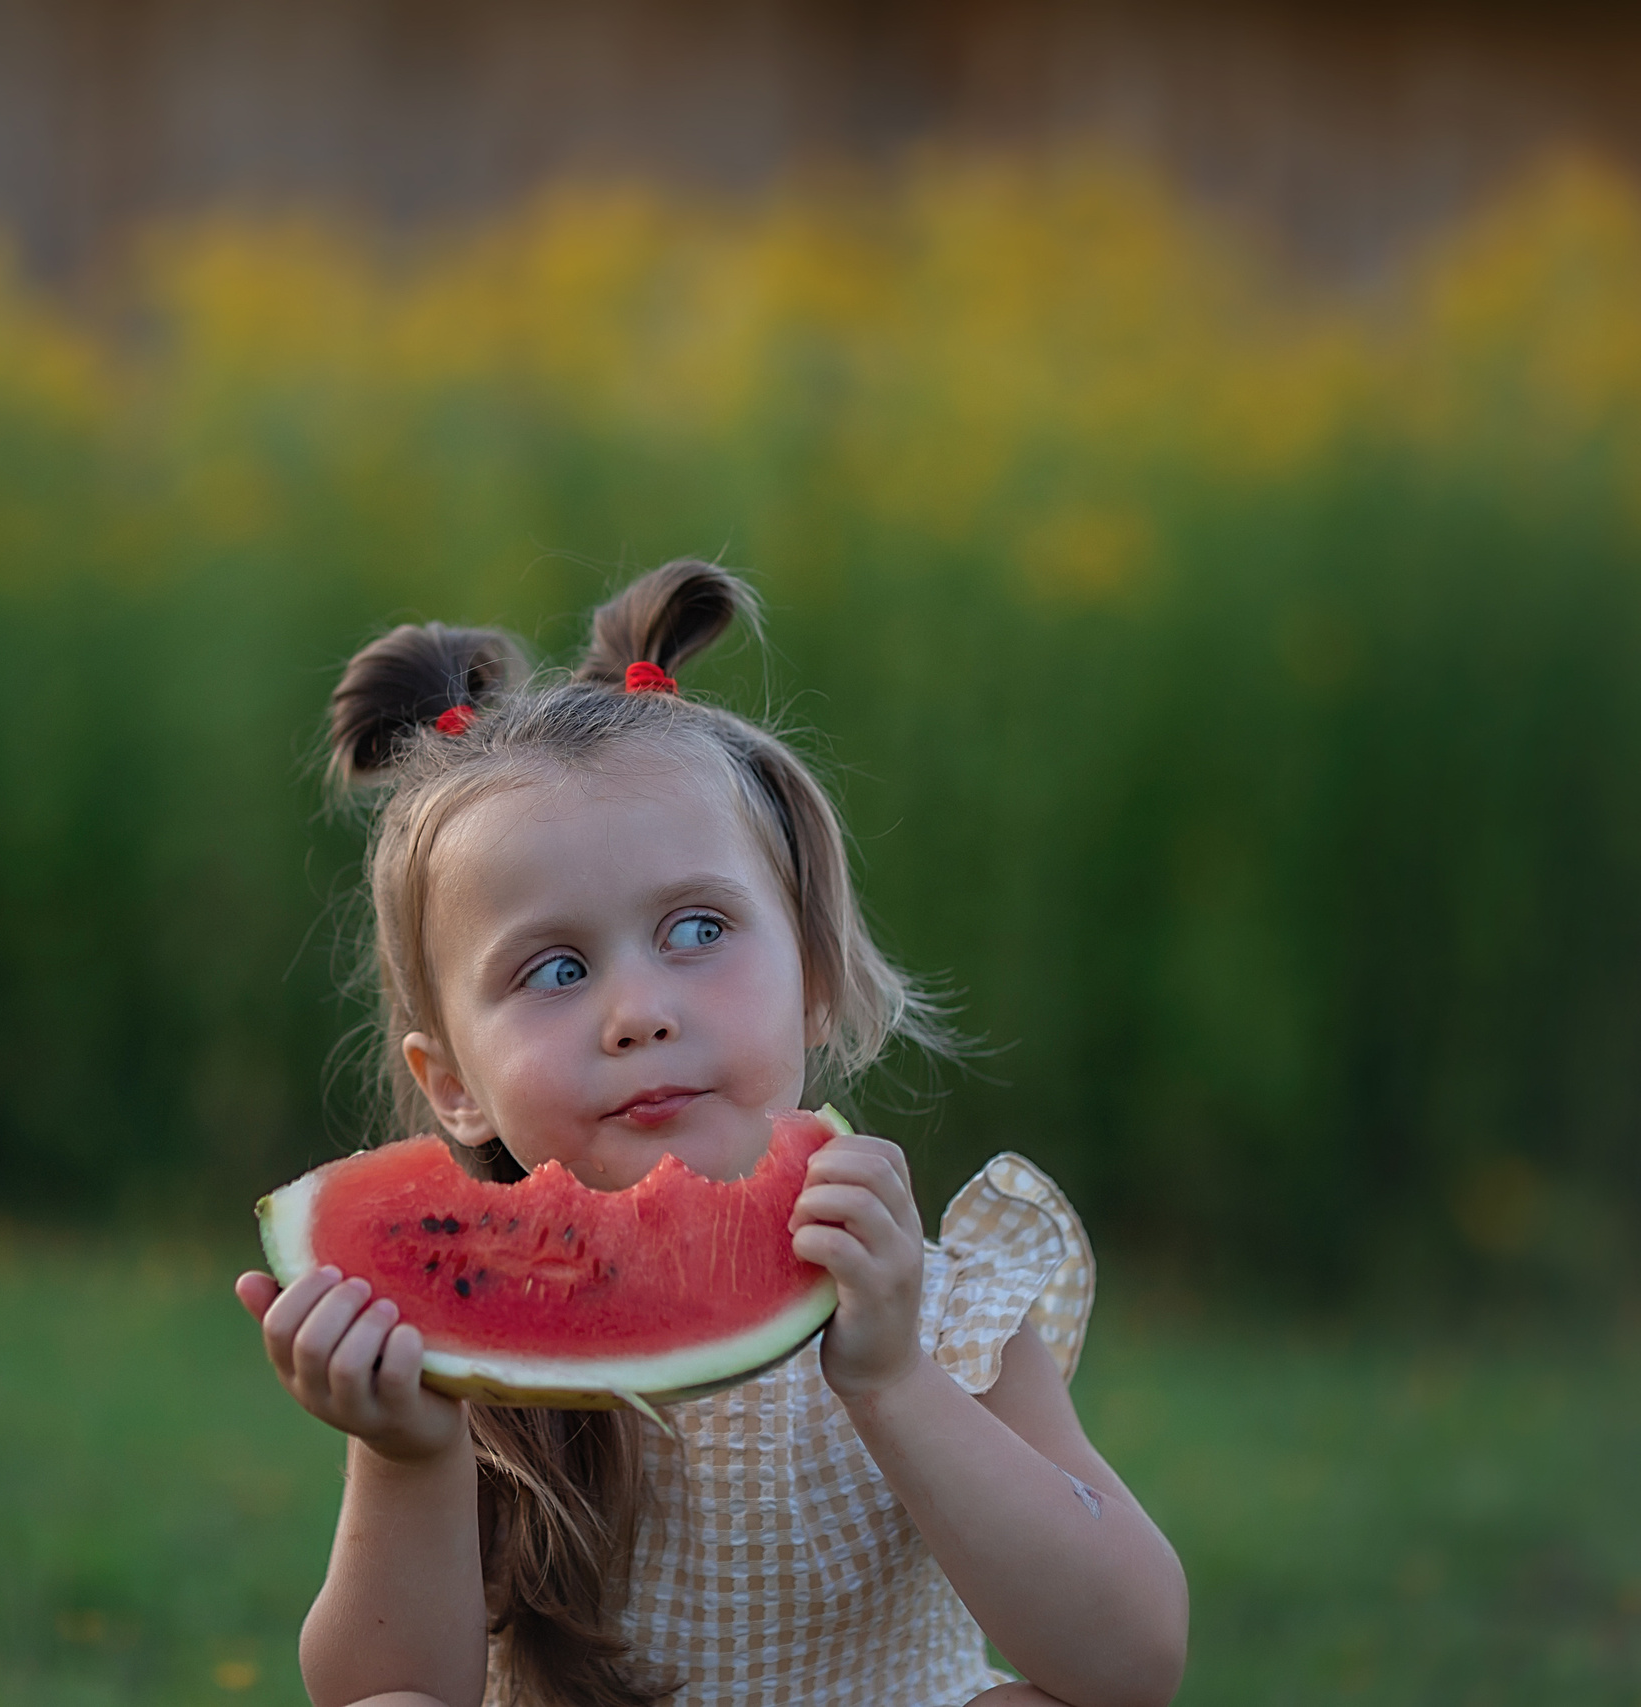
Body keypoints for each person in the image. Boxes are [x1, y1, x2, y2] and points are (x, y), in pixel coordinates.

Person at [234, 562, 1187, 1707]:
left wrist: (893, 1378)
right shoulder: (470, 1354)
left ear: (814, 984)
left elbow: (1131, 1664)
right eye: (556, 969)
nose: (639, 1011)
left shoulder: (945, 1308)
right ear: (453, 1088)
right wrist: (407, 1455)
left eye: (696, 928)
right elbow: (377, 1688)